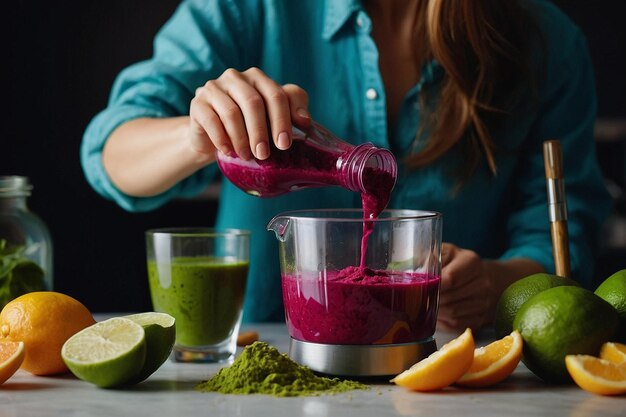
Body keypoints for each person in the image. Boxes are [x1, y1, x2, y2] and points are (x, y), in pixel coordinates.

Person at [81, 0, 612, 331]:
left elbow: (565, 235)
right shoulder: (247, 7)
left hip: (446, 373)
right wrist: (198, 134)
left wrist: (493, 283)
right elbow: (109, 156)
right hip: (268, 360)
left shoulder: (542, 38)